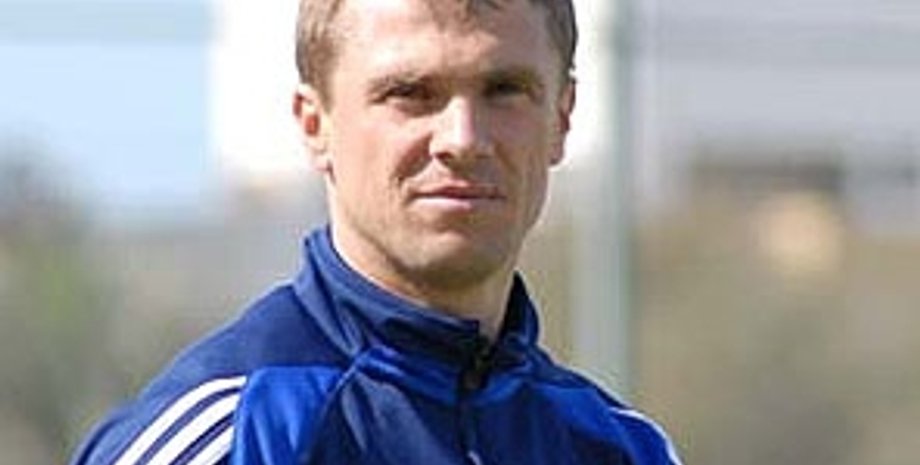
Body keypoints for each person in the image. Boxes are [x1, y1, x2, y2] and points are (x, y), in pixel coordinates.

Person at [70, 0, 683, 463]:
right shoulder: (237, 435)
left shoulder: (623, 448)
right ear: (315, 124)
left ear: (562, 119)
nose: (463, 139)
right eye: (410, 93)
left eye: (504, 91)